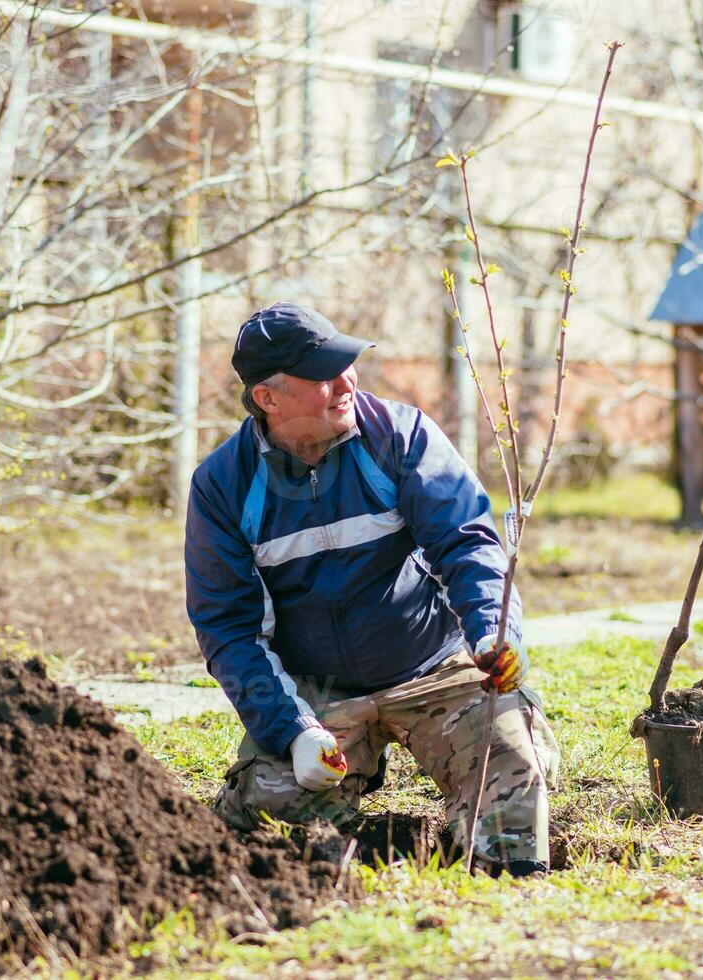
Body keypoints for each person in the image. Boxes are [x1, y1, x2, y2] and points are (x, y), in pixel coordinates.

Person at [185, 302, 558, 876]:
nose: (346, 382)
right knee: (270, 824)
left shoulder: (401, 437)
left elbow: (467, 543)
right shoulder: (222, 487)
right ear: (268, 398)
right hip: (318, 692)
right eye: (324, 375)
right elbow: (227, 629)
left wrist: (494, 631)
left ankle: (496, 868)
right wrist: (292, 730)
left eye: (347, 365)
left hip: (434, 667)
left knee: (511, 775)